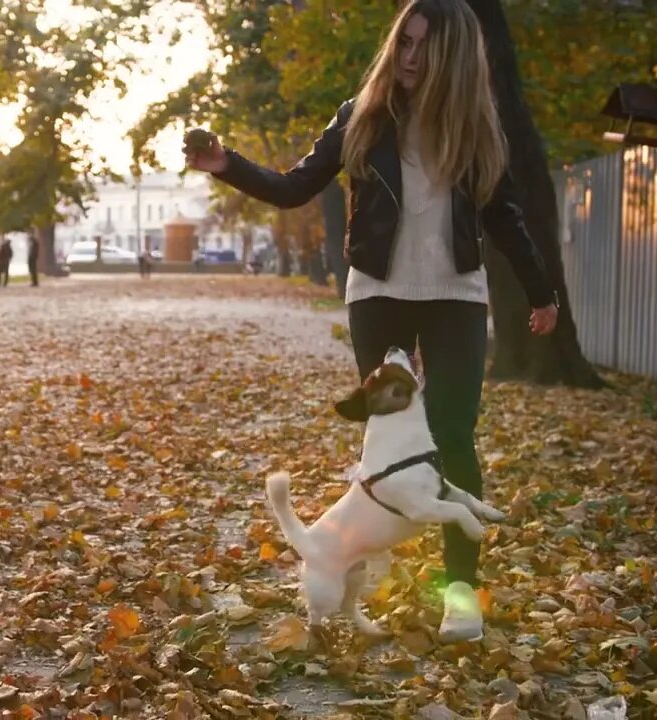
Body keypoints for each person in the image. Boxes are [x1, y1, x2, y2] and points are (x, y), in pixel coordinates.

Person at [185, 0, 558, 643]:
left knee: (453, 434)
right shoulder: (360, 117)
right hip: (379, 293)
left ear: (455, 58)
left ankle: (460, 595)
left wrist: (540, 291)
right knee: (391, 446)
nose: (410, 58)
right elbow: (296, 186)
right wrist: (228, 164)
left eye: (425, 48)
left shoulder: (474, 128)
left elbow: (505, 215)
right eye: (404, 43)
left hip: (456, 297)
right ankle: (357, 557)